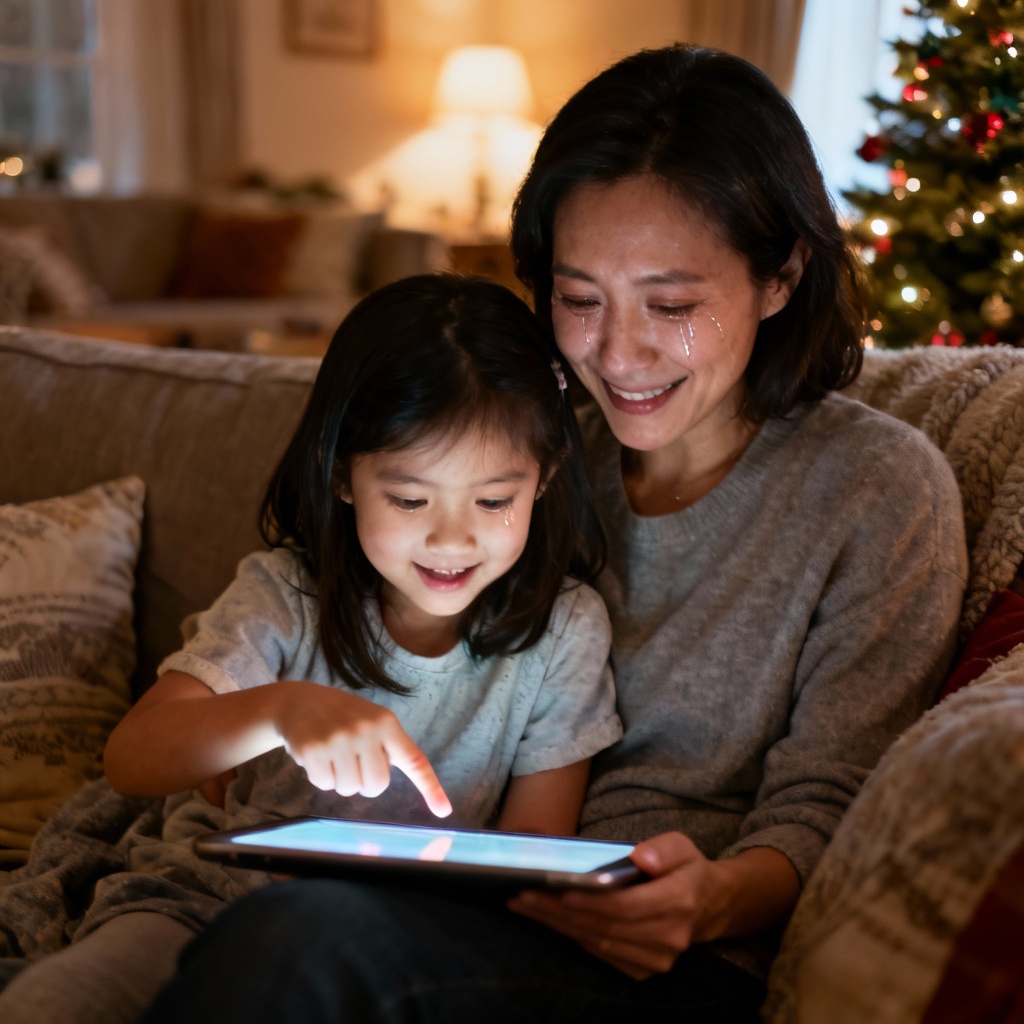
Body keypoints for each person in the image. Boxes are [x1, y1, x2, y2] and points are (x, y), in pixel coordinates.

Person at [140, 44, 968, 1023]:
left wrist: (713, 899)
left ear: (780, 274)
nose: (616, 354)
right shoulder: (511, 458)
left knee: (296, 946)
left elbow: (829, 800)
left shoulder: (876, 487)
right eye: (578, 300)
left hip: (669, 957)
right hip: (459, 904)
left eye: (671, 305)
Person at [0, 274, 621, 1024]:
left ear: (545, 479)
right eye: (411, 499)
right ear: (344, 477)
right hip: (197, 902)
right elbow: (133, 758)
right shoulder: (286, 595)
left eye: (494, 501)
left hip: (388, 944)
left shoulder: (562, 633)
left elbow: (533, 853)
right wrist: (279, 709)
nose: (453, 539)